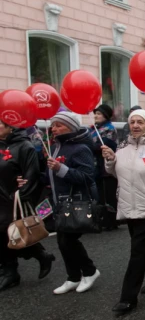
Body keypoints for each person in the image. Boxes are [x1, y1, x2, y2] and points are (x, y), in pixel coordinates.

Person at [101, 110, 145, 315]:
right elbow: (117, 173)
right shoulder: (123, 146)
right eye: (132, 121)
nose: (135, 125)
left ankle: (128, 298)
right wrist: (110, 161)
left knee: (137, 252)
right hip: (127, 205)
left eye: (140, 122)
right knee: (144, 246)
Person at [46, 112, 101, 295]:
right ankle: (73, 277)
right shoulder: (55, 146)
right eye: (53, 125)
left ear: (71, 127)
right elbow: (53, 176)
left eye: (59, 125)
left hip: (75, 202)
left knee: (68, 241)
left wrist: (60, 169)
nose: (54, 128)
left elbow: (87, 176)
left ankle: (90, 271)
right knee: (62, 242)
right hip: (59, 203)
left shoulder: (80, 148)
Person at [0, 121, 56, 290]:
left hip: (12, 199)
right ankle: (11, 270)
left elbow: (31, 175)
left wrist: (21, 193)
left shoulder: (24, 146)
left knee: (11, 232)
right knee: (3, 235)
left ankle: (32, 258)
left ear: (11, 127)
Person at [91, 104, 118, 230]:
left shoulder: (109, 129)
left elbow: (105, 145)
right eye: (95, 113)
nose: (96, 116)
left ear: (105, 115)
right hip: (96, 166)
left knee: (109, 194)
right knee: (100, 194)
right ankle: (102, 218)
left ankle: (111, 220)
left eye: (99, 114)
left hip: (107, 166)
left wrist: (91, 145)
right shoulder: (93, 129)